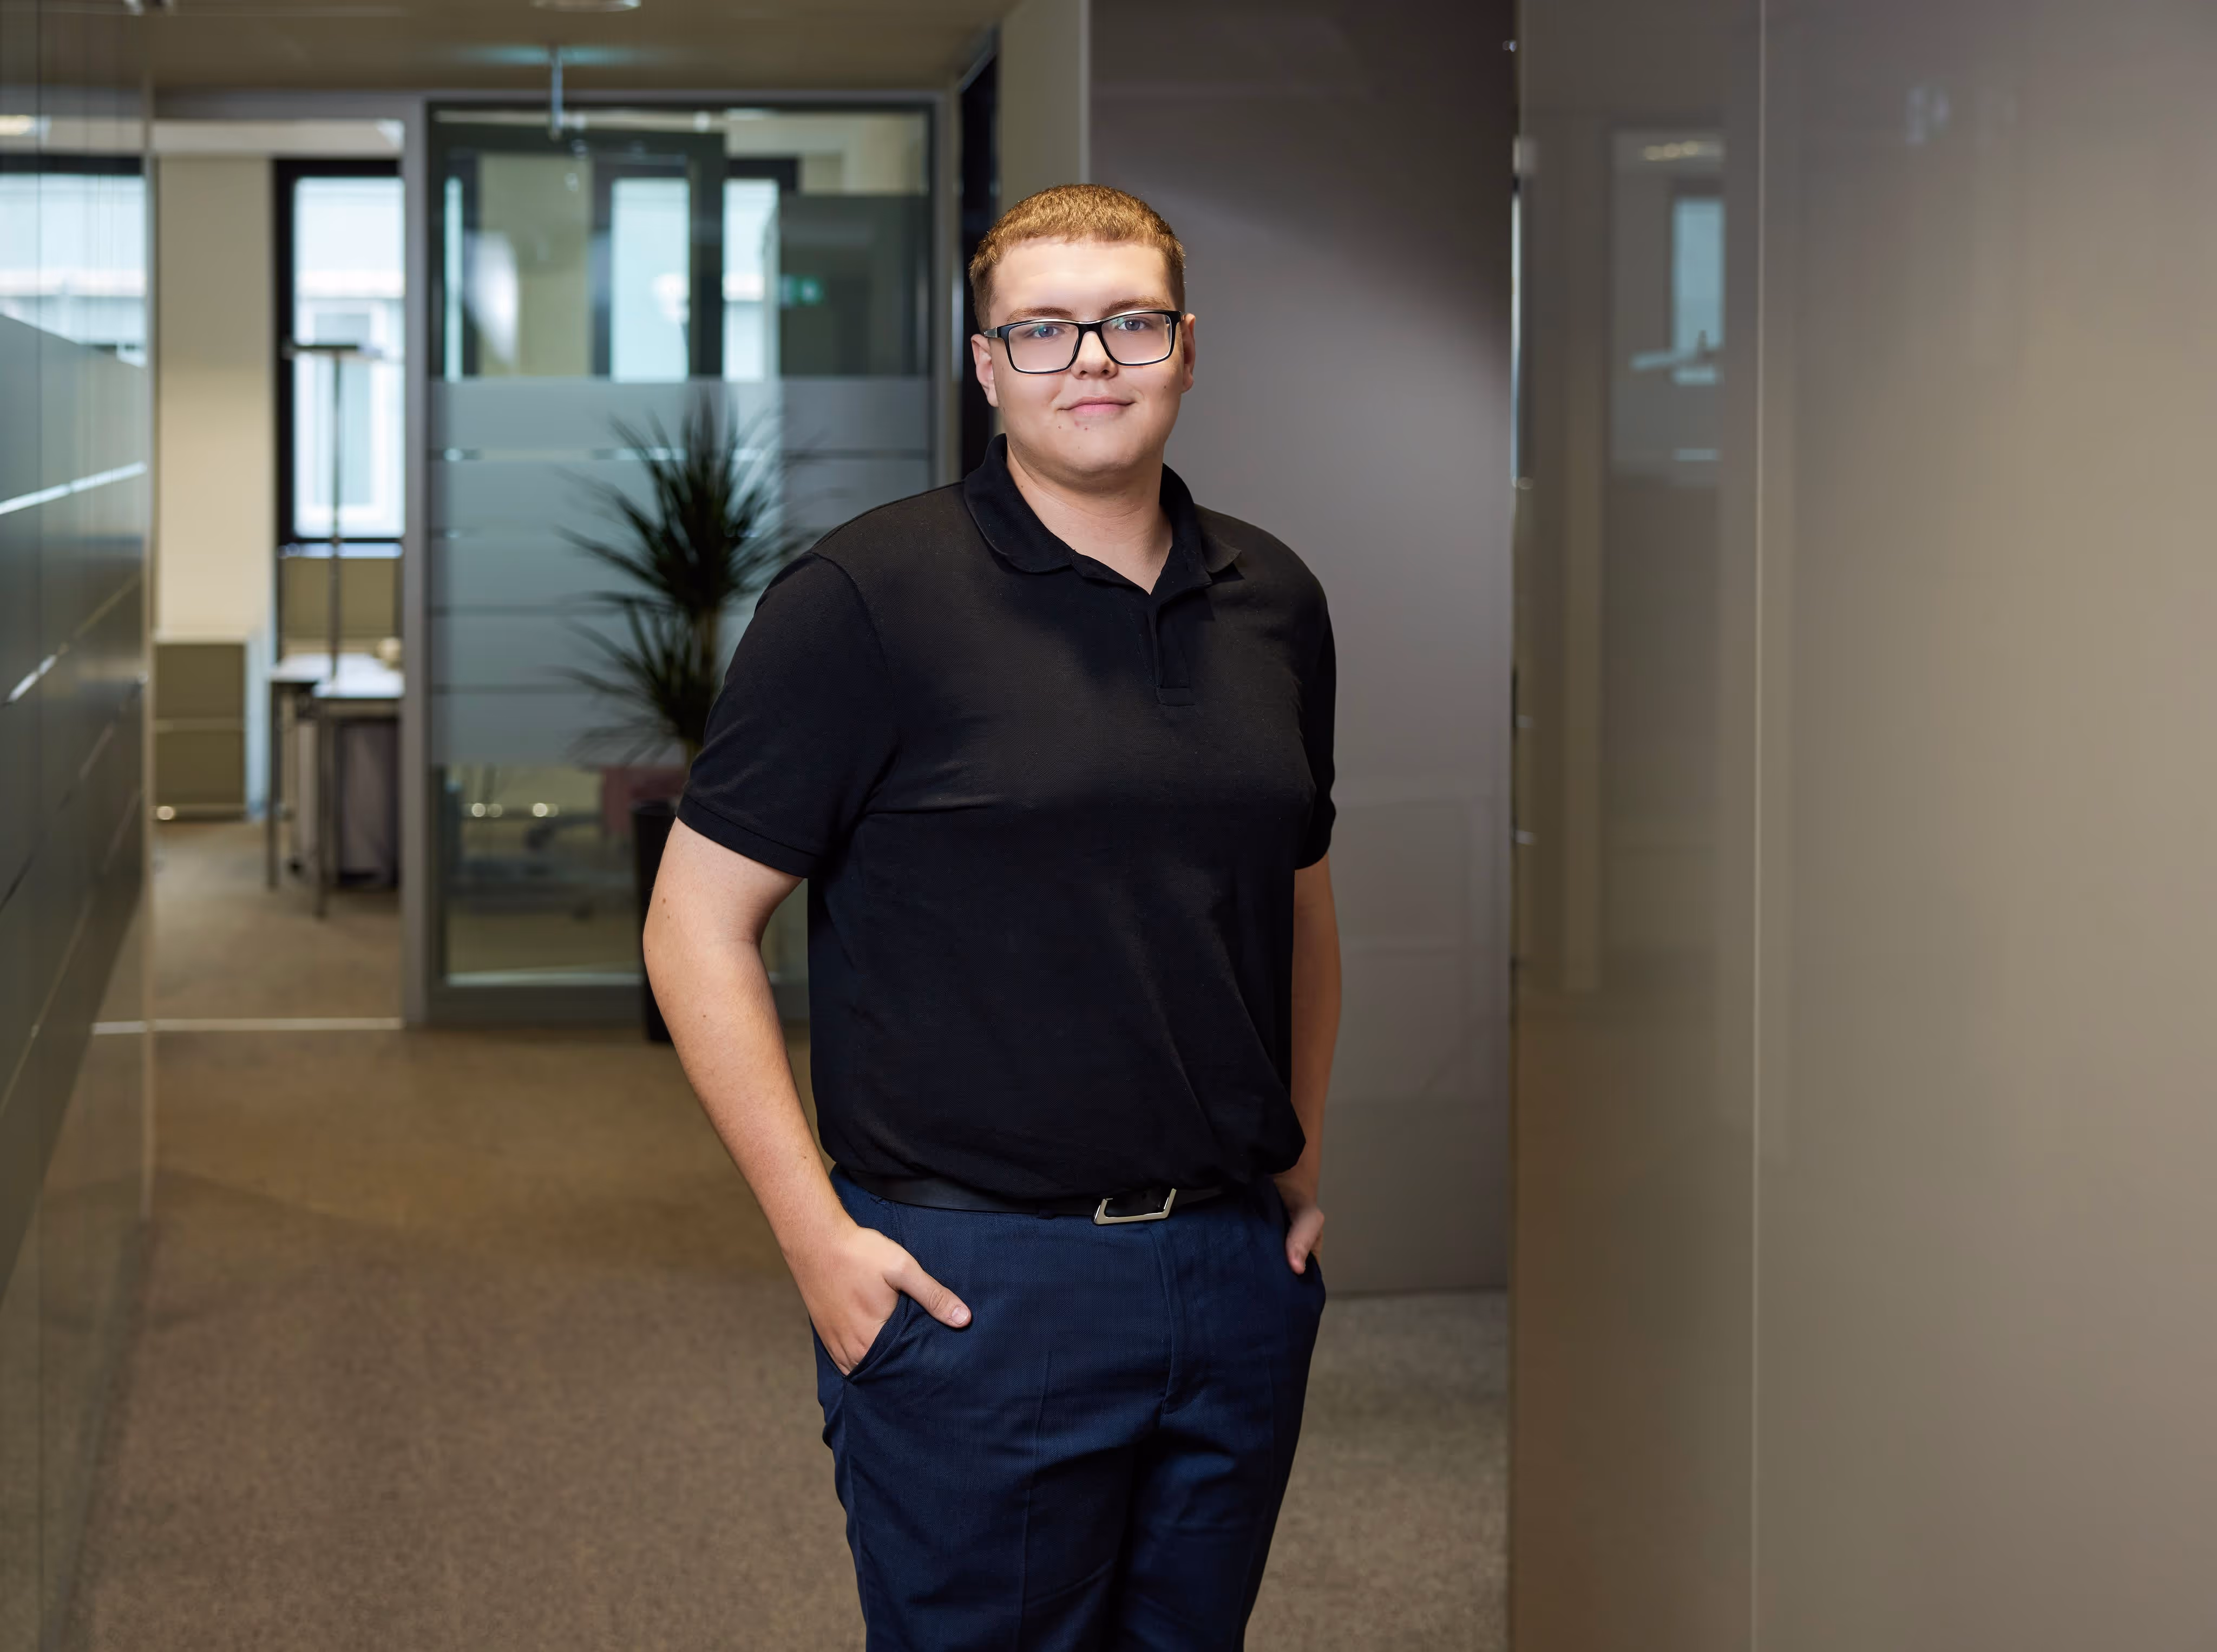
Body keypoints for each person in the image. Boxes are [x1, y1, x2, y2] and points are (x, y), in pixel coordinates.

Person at [644, 182, 1341, 1651]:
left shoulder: (1274, 597)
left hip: (1228, 1273)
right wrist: (816, 1241)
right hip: (978, 1284)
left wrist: (1300, 1162)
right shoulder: (866, 598)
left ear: (1187, 348)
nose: (1089, 358)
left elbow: (1298, 895)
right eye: (1042, 329)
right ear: (986, 364)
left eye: (1130, 322)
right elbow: (694, 922)